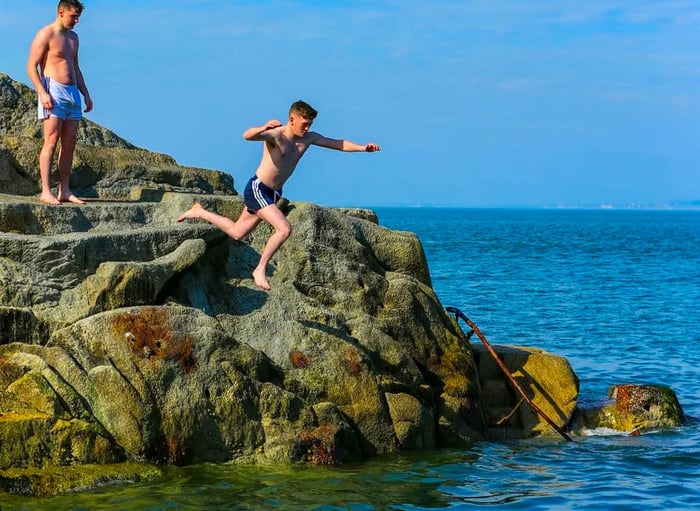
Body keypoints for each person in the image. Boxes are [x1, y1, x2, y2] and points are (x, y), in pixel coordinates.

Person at [178, 100, 380, 290]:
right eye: (304, 123)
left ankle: (200, 212)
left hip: (273, 194)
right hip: (258, 189)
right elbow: (247, 135)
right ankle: (259, 269)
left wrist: (363, 148)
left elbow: (339, 144)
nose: (307, 128)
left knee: (237, 232)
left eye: (310, 124)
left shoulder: (309, 138)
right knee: (284, 229)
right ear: (292, 119)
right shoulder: (276, 135)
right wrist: (264, 127)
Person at [27, 0, 93, 205]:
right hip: (53, 91)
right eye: (73, 16)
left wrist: (86, 94)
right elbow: (31, 66)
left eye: (78, 16)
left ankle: (64, 190)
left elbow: (76, 67)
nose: (77, 20)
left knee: (70, 143)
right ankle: (46, 191)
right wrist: (42, 93)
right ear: (61, 12)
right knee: (51, 140)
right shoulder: (45, 34)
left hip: (72, 94)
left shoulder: (74, 38)